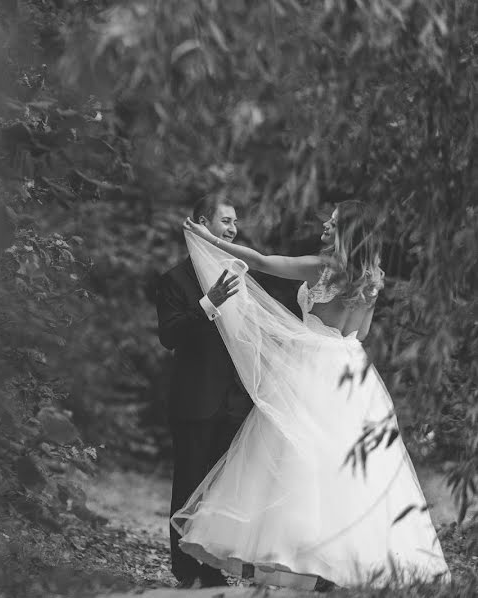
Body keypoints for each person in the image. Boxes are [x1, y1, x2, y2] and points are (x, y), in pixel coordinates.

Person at [174, 200, 450, 589]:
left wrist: (208, 239)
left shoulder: (325, 268)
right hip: (351, 369)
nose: (325, 225)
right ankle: (341, 564)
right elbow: (363, 334)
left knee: (294, 455)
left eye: (333, 223)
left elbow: (262, 260)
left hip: (314, 366)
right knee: (345, 464)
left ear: (347, 233)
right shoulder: (372, 279)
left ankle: (294, 553)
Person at [154, 193, 249, 588]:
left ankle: (210, 566)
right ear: (202, 223)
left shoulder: (239, 273)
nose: (233, 228)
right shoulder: (174, 279)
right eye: (225, 221)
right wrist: (208, 303)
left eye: (234, 222)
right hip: (194, 400)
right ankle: (185, 570)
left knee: (220, 492)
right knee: (189, 485)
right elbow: (170, 335)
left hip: (233, 403)